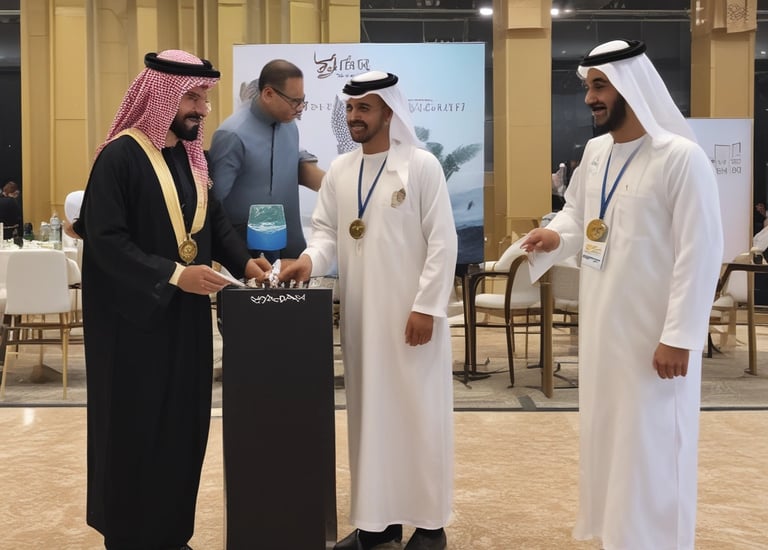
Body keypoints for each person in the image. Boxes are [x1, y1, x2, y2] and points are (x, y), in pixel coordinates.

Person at [521, 39, 723, 550]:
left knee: (654, 449)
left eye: (600, 86)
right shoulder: (596, 153)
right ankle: (619, 538)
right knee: (612, 444)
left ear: (632, 86)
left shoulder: (680, 157)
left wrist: (679, 336)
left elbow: (700, 252)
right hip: (603, 331)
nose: (590, 97)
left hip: (655, 338)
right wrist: (555, 236)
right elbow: (579, 215)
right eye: (589, 86)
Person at [75, 50, 270, 550]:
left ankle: (170, 533)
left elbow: (214, 222)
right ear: (160, 96)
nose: (202, 109)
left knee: (183, 426)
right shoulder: (119, 157)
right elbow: (105, 240)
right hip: (132, 324)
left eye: (204, 98)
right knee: (135, 428)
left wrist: (245, 263)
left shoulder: (190, 157)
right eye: (192, 97)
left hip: (185, 319)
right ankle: (129, 537)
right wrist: (176, 275)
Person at [279, 71, 457, 550]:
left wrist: (426, 307)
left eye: (365, 108)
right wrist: (309, 261)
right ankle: (378, 525)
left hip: (412, 323)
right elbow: (326, 232)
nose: (355, 116)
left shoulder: (421, 166)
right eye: (350, 108)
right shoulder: (341, 170)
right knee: (370, 421)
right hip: (361, 321)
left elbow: (443, 243)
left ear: (389, 113)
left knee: (418, 418)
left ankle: (430, 526)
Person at [208, 59, 325, 261]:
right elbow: (214, 203)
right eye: (294, 101)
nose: (300, 108)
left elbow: (295, 161)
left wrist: (336, 185)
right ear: (268, 94)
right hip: (247, 257)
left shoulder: (289, 125)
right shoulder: (232, 135)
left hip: (291, 250)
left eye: (302, 100)